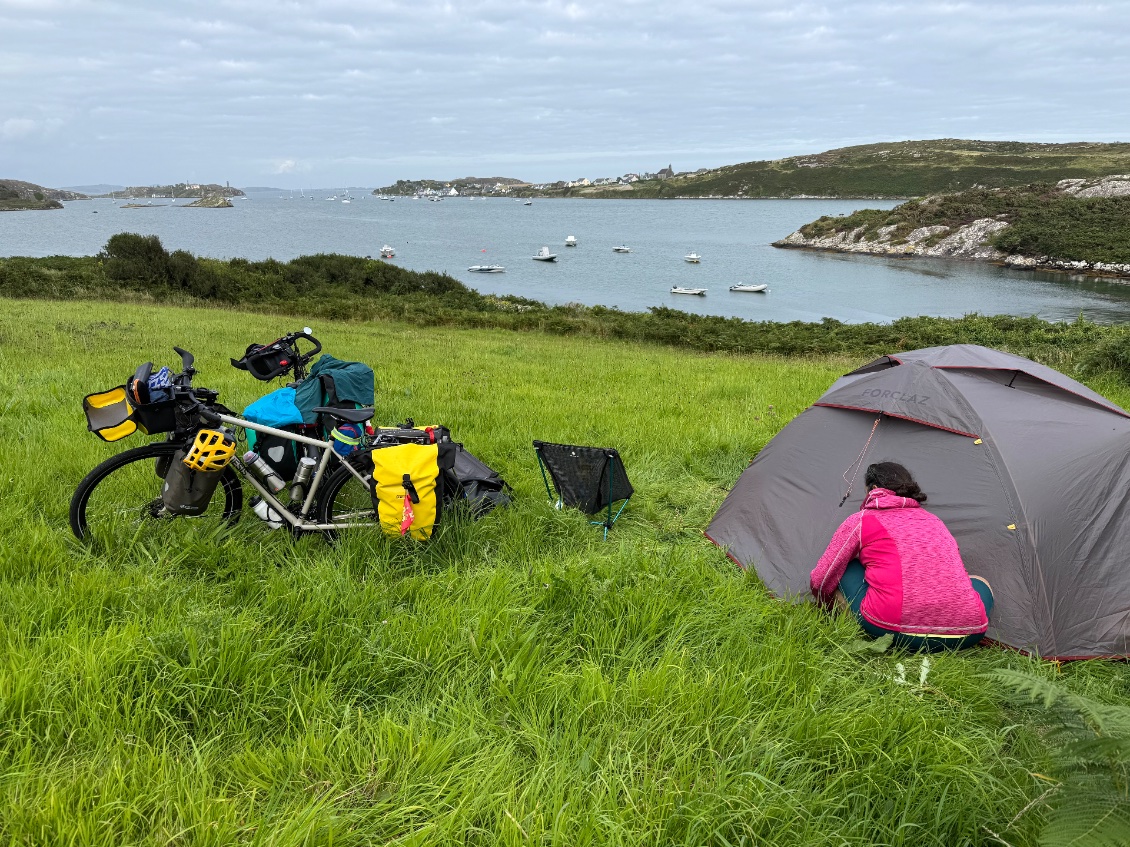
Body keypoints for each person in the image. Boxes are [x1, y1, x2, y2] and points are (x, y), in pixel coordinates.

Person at [810, 461, 993, 651]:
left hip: (890, 629)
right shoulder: (934, 520)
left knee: (845, 566)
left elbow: (820, 579)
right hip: (967, 634)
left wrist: (825, 605)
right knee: (979, 581)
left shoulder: (861, 520)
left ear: (873, 489)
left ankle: (854, 623)